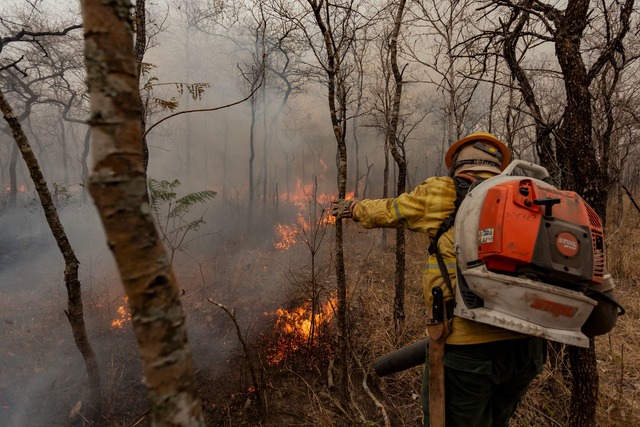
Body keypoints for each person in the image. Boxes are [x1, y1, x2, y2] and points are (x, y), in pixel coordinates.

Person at [331, 132, 545, 427]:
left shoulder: (444, 190)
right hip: (528, 349)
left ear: (459, 164)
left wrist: (355, 208)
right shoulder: (530, 196)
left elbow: (393, 210)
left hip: (469, 351)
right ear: (497, 165)